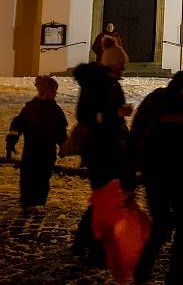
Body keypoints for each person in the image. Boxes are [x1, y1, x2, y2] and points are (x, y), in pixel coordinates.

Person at [122, 65, 183, 284]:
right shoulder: (158, 101)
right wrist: (129, 176)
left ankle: (177, 277)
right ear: (182, 86)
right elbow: (136, 137)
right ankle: (143, 268)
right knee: (162, 225)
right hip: (158, 174)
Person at [72, 39, 131, 265]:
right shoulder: (95, 84)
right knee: (104, 198)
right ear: (111, 63)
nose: (123, 68)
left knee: (107, 198)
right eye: (120, 64)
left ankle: (88, 241)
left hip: (113, 147)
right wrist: (114, 114)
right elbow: (85, 116)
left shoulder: (113, 83)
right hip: (98, 149)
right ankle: (92, 245)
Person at [6, 76, 67, 209]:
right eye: (54, 91)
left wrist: (63, 145)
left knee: (43, 176)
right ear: (46, 91)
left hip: (46, 151)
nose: (55, 94)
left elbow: (60, 130)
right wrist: (12, 138)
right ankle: (28, 202)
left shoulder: (54, 110)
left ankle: (38, 201)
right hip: (32, 150)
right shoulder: (31, 107)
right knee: (29, 175)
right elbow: (18, 124)